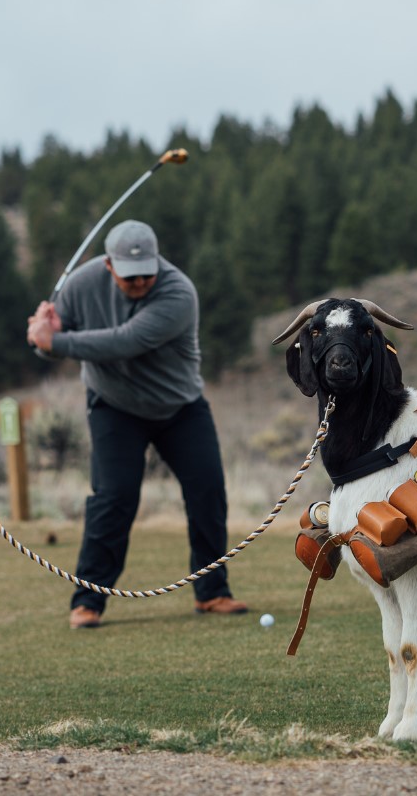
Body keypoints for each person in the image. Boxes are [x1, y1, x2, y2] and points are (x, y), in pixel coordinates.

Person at [26, 220, 247, 628]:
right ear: (109, 266)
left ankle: (212, 592)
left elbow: (126, 341)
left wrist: (54, 341)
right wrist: (45, 337)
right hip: (113, 406)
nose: (141, 281)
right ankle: (87, 601)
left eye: (148, 272)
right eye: (131, 276)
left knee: (208, 492)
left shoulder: (179, 292)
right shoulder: (80, 285)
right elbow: (51, 347)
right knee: (114, 498)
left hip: (180, 406)